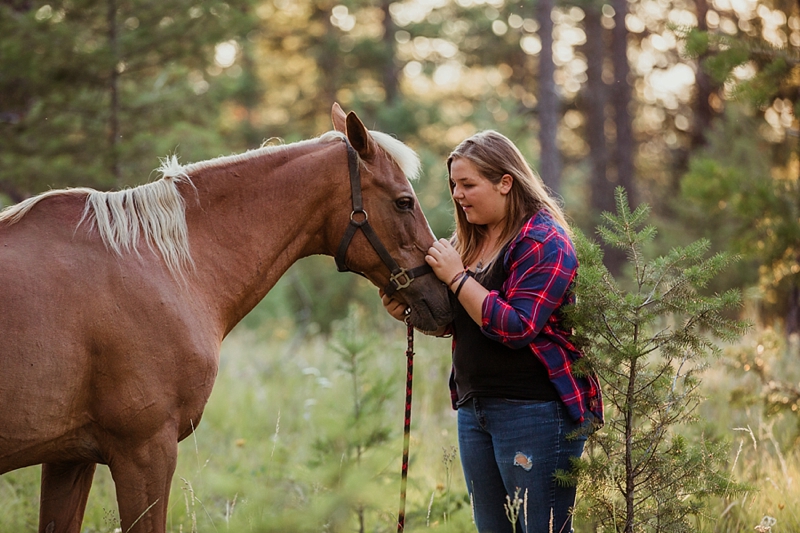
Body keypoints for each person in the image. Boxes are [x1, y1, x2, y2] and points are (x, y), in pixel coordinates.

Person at [381, 130, 603, 533]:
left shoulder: (544, 240)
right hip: (475, 408)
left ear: (506, 183)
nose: (458, 195)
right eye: (454, 185)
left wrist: (457, 277)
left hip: (535, 409)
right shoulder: (470, 241)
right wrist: (410, 315)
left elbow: (517, 326)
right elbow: (461, 319)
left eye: (468, 184)